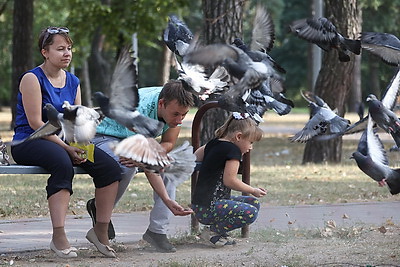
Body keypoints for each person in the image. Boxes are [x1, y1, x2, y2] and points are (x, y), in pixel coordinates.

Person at [11, 27, 121, 258]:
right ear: (45, 52)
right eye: (60, 49)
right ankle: (58, 236)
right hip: (29, 141)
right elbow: (35, 124)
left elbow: (76, 121)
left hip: (62, 141)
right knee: (62, 162)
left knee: (110, 168)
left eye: (69, 48)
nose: (67, 53)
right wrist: (67, 149)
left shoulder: (73, 80)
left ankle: (100, 231)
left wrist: (79, 146)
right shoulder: (32, 78)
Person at [88, 80, 195, 252]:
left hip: (131, 140)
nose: (179, 120)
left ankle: (157, 232)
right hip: (102, 136)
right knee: (126, 165)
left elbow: (168, 143)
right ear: (161, 104)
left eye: (184, 115)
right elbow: (146, 163)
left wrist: (153, 155)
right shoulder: (141, 110)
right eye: (176, 114)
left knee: (168, 165)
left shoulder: (173, 103)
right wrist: (147, 157)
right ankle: (100, 210)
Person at [192, 112, 267, 247]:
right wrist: (253, 190)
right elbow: (230, 180)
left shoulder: (213, 143)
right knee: (251, 212)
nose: (251, 147)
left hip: (200, 205)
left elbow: (196, 156)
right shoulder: (233, 151)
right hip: (210, 208)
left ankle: (219, 234)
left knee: (253, 202)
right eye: (250, 142)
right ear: (238, 136)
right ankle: (212, 232)